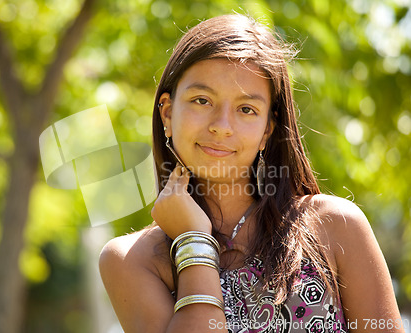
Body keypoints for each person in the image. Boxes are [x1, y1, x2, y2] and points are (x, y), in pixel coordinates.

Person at [99, 14, 403, 333]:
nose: (222, 126)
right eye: (202, 100)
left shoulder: (334, 227)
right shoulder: (133, 260)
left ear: (266, 131)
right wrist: (193, 241)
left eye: (246, 109)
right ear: (167, 113)